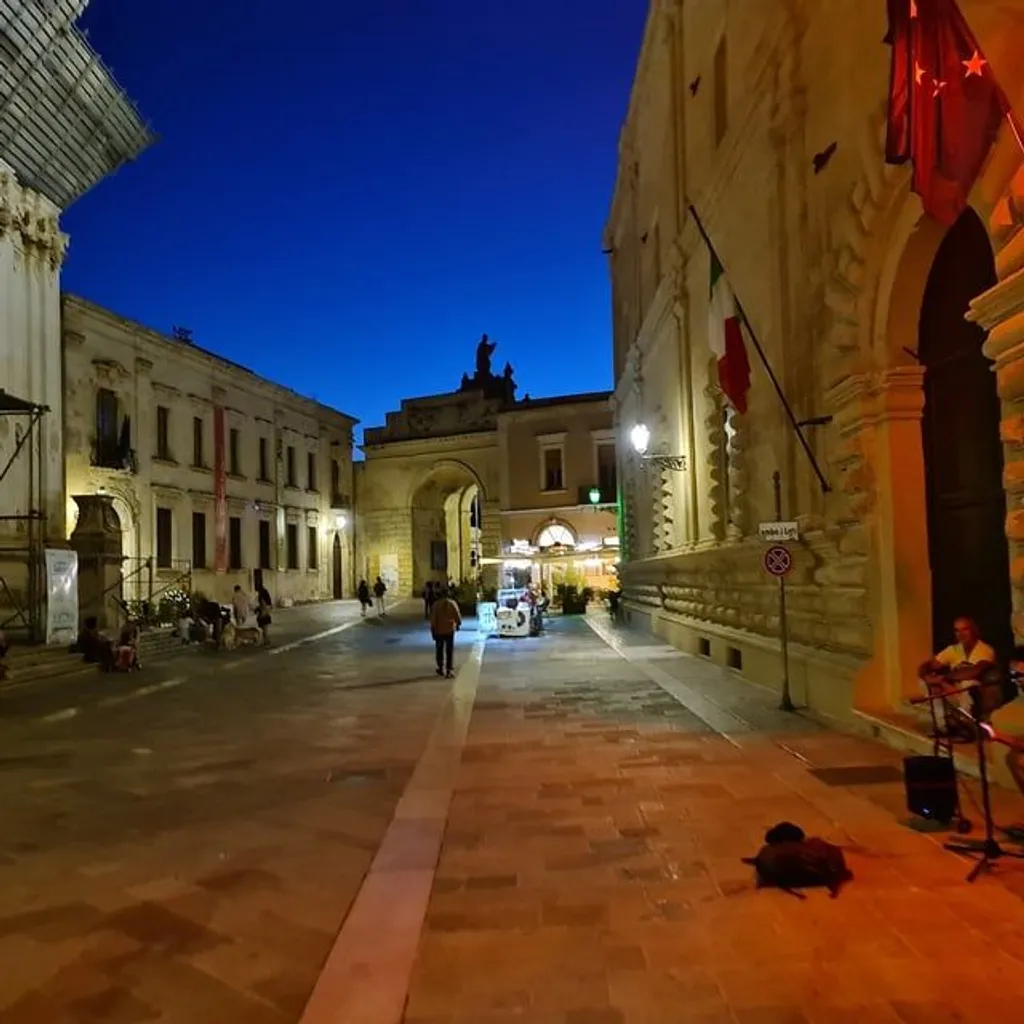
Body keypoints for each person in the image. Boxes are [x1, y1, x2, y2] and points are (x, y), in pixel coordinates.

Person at [918, 617, 998, 738]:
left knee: (968, 683)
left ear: (974, 630)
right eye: (957, 630)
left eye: (965, 629)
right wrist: (927, 676)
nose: (961, 634)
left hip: (977, 694)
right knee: (925, 683)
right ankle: (943, 727)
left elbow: (974, 672)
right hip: (954, 691)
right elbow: (929, 665)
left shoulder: (985, 649)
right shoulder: (953, 649)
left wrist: (943, 679)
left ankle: (967, 727)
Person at [429, 586, 462, 678]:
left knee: (439, 650)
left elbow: (433, 619)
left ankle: (440, 667)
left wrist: (432, 630)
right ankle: (449, 669)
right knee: (449, 650)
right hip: (449, 630)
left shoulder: (436, 605)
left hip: (439, 630)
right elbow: (457, 615)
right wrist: (458, 624)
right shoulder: (452, 603)